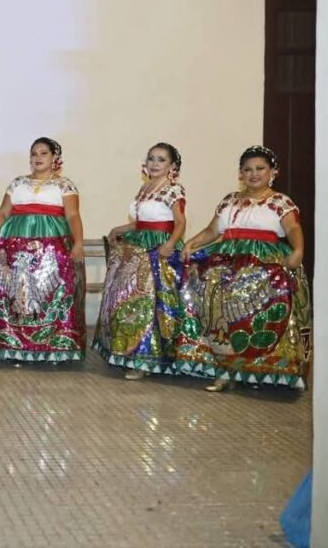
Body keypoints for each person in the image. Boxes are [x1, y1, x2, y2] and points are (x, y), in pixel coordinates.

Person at [178, 145, 311, 391]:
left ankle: (263, 371)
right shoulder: (230, 200)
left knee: (260, 314)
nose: (254, 174)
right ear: (240, 173)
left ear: (273, 172)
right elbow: (212, 231)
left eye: (260, 168)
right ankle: (224, 370)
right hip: (227, 262)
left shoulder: (280, 202)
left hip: (264, 264)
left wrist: (298, 251)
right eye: (248, 169)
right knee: (214, 309)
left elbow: (293, 228)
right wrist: (192, 243)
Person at [0, 137, 86, 363]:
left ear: (54, 157)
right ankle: (14, 346)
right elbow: (3, 212)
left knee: (51, 293)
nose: (38, 158)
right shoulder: (17, 183)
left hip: (51, 249)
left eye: (43, 153)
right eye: (34, 154)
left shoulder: (65, 185)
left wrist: (78, 242)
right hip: (13, 247)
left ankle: (53, 348)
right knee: (15, 295)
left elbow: (72, 215)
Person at [93, 143, 187, 378]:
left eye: (161, 159)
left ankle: (145, 360)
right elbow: (139, 223)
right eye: (151, 158)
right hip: (138, 244)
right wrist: (119, 229)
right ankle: (127, 350)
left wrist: (170, 244)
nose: (154, 163)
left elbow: (180, 222)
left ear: (172, 166)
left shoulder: (173, 190)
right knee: (125, 297)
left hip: (158, 247)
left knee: (148, 301)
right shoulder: (145, 188)